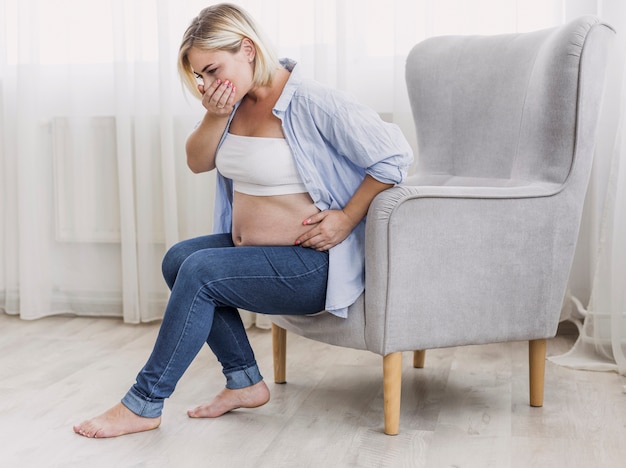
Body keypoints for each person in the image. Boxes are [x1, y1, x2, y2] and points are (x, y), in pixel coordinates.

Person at [73, 2, 412, 438]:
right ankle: (245, 382)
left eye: (213, 70)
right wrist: (215, 112)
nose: (208, 84)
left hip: (310, 265)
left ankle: (144, 403)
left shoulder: (312, 102)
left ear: (247, 49)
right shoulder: (233, 103)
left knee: (201, 271)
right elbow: (198, 162)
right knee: (178, 260)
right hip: (258, 253)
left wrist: (346, 218)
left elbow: (394, 157)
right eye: (200, 77)